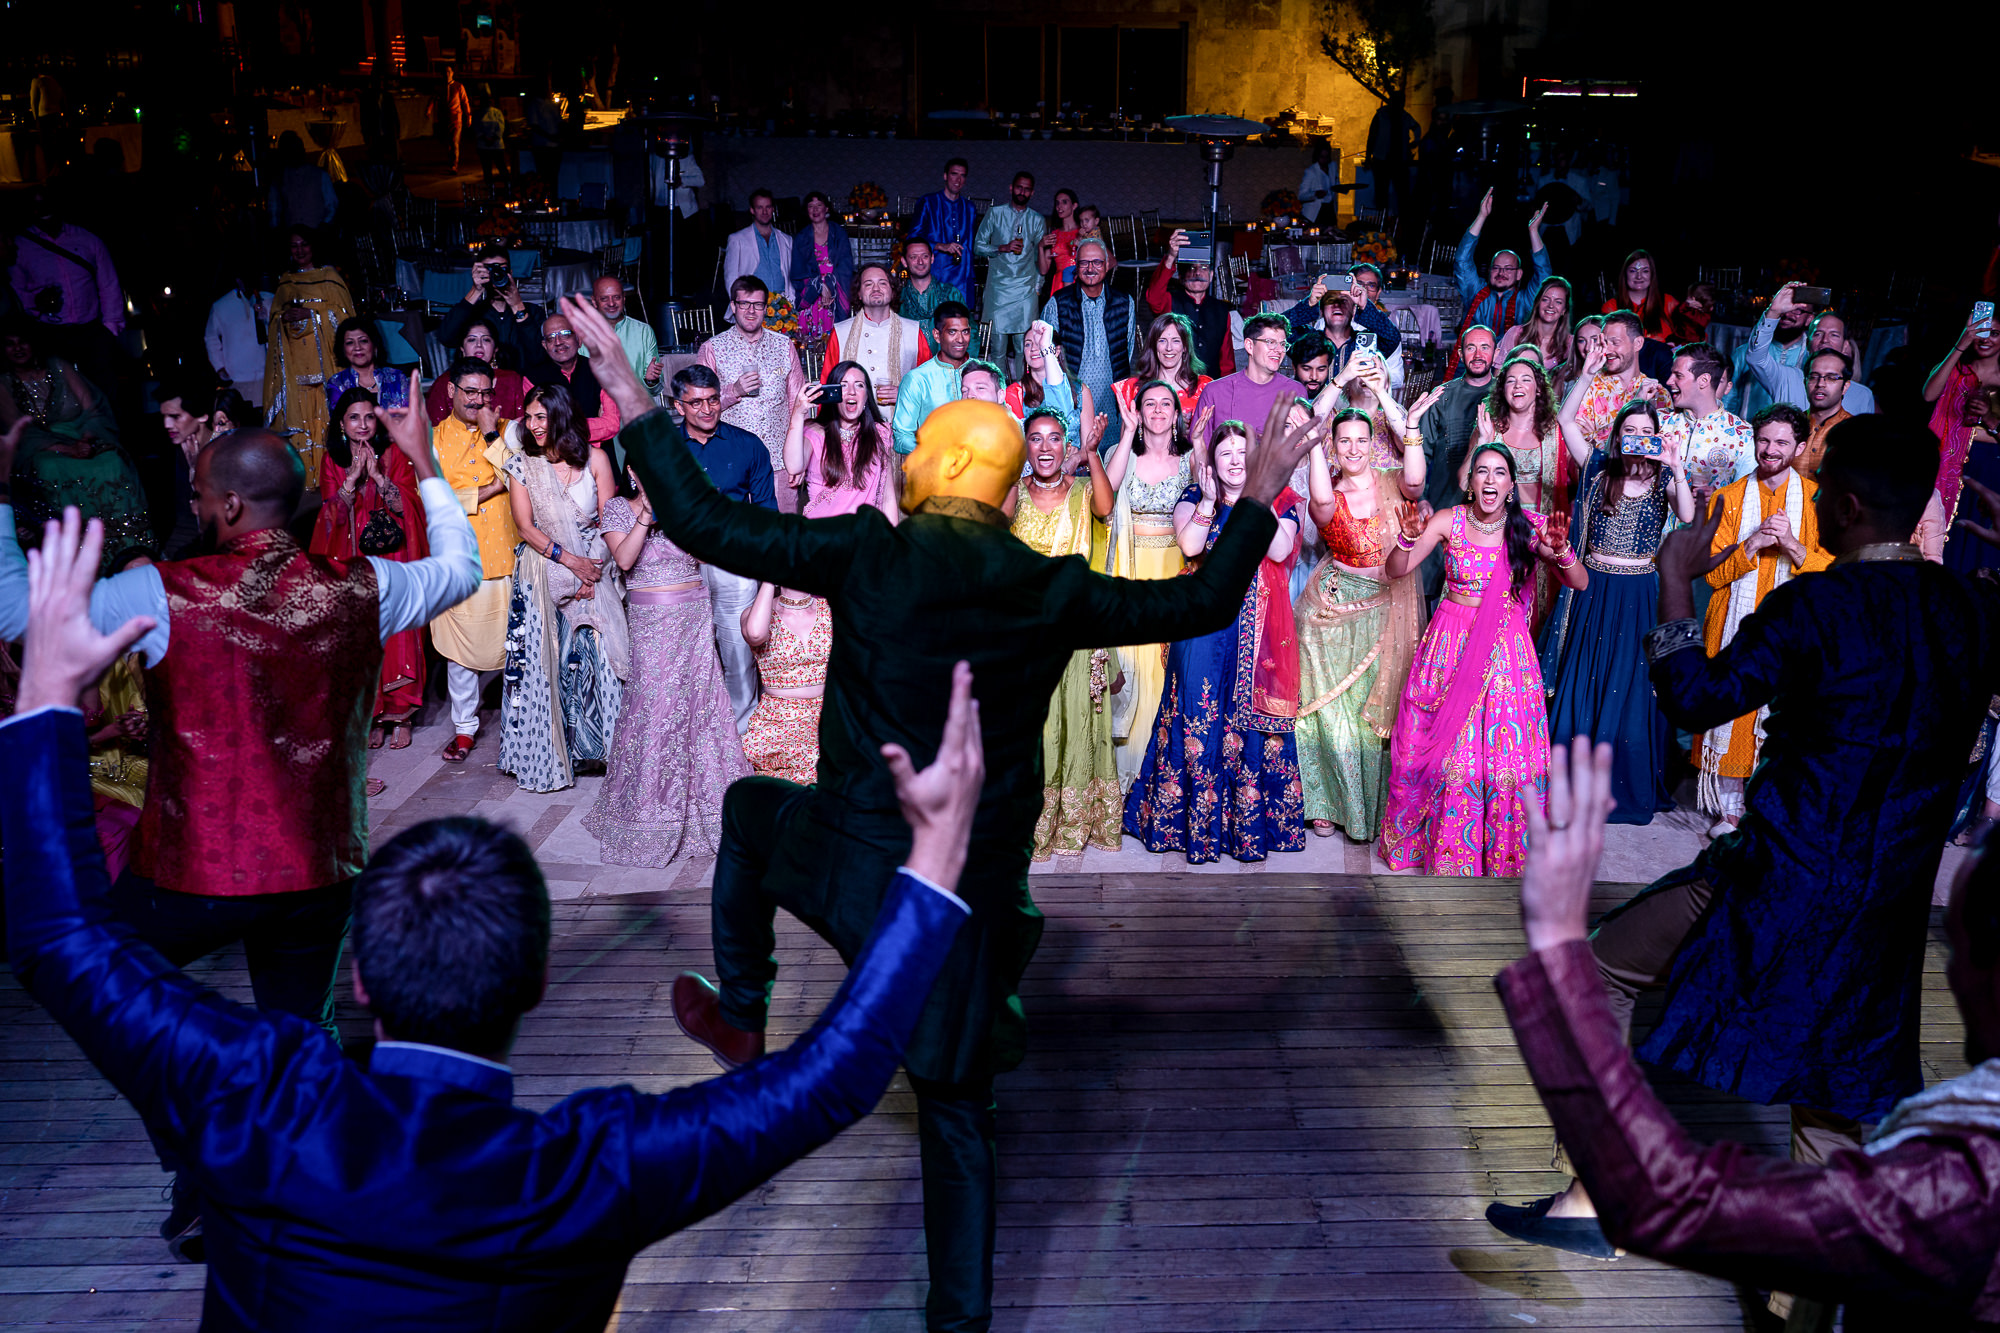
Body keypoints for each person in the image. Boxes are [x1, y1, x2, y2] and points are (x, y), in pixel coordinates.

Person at [2, 509, 982, 1321]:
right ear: (535, 980)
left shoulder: (255, 1095)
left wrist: (45, 696)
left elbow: (60, 937)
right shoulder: (581, 1175)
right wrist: (934, 863)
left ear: (359, 974)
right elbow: (831, 1079)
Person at [571, 283, 1324, 1332]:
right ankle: (959, 1322)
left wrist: (631, 395)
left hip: (845, 862)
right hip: (961, 896)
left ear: (949, 468)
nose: (909, 451)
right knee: (959, 1113)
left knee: (747, 811)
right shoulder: (1049, 585)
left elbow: (702, 522)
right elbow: (1199, 600)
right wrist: (1262, 495)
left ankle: (742, 1010)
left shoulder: (866, 549)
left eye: (924, 442)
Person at [1490, 423, 2000, 1289]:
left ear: (1845, 506)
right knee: (1834, 1082)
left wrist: (1675, 580)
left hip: (1777, 878)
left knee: (1597, 968)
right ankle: (1809, 1285)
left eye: (1821, 487)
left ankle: (1598, 1197)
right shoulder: (1969, 612)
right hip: (1888, 906)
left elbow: (1696, 698)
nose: (1813, 498)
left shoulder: (1816, 605)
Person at [0, 412, 480, 1258]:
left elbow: (20, 616)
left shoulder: (161, 593)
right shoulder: (365, 584)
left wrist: (3, 492)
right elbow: (462, 567)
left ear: (226, 507)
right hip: (321, 868)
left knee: (109, 994)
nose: (192, 506)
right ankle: (313, 1191)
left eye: (196, 493)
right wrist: (425, 461)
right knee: (301, 1032)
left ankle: (204, 1174)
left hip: (194, 874)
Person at [1379, 441, 1587, 874]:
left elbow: (1579, 581)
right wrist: (1407, 538)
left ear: (1511, 485)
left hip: (1505, 651)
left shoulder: (1528, 527)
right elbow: (1396, 570)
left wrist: (1560, 550)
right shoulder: (1447, 521)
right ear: (1470, 482)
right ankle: (1449, 851)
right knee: (1446, 746)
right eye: (1482, 472)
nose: (1490, 480)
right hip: (1448, 643)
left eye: (1499, 473)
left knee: (1502, 751)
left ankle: (1502, 852)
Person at [1123, 417, 1306, 863]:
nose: (1236, 461)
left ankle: (1246, 830)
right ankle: (1191, 829)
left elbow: (1280, 550)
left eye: (1245, 454)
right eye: (1226, 454)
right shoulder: (1193, 495)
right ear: (1213, 462)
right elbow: (1190, 546)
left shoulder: (1279, 500)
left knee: (1249, 721)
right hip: (1202, 625)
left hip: (1256, 628)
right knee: (1196, 712)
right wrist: (1208, 500)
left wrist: (1259, 496)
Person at [1539, 399, 1695, 826]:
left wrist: (1676, 465)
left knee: (1629, 681)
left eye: (1646, 431)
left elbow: (1686, 514)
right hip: (1593, 587)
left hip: (1638, 592)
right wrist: (1587, 373)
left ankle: (1616, 785)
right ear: (1618, 435)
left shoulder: (1664, 477)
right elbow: (1566, 420)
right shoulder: (1599, 468)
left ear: (1656, 437)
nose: (1637, 439)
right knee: (1586, 676)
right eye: (1630, 431)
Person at [584, 468, 750, 864]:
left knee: (702, 707)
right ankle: (653, 809)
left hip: (693, 616)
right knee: (657, 708)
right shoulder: (617, 509)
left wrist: (682, 509)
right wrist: (647, 513)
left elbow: (707, 551)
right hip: (652, 624)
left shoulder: (681, 505)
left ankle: (708, 806)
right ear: (632, 470)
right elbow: (624, 560)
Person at [1690, 404, 1832, 836]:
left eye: (1782, 442)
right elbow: (1712, 574)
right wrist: (1751, 543)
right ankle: (1729, 812)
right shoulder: (1728, 498)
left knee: (1784, 718)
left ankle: (1768, 810)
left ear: (1800, 447)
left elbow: (1832, 572)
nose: (1770, 450)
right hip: (1733, 626)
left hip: (1793, 632)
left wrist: (1791, 544)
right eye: (1764, 440)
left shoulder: (1816, 500)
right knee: (1734, 712)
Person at [1294, 408, 1427, 841]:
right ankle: (1328, 804)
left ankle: (1374, 805)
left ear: (1374, 444)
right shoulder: (1328, 492)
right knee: (1329, 712)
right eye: (1344, 441)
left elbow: (1417, 481)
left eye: (1361, 440)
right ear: (1333, 446)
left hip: (1385, 611)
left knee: (1371, 718)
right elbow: (1321, 506)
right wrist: (1314, 446)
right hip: (1331, 612)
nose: (1353, 449)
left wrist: (1409, 425)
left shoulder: (1393, 483)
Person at [499, 383, 628, 794]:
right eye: (529, 417)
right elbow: (526, 527)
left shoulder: (596, 459)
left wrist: (593, 571)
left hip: (595, 565)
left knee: (601, 653)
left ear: (562, 415)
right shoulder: (523, 465)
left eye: (542, 416)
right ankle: (557, 752)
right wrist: (573, 565)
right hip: (544, 571)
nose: (534, 425)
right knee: (548, 663)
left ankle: (602, 749)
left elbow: (610, 522)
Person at [1009, 406, 1120, 859]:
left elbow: (1106, 508)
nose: (1045, 447)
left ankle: (1076, 821)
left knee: (1076, 721)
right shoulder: (1013, 493)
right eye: (1035, 438)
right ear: (1025, 446)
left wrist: (1091, 453)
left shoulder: (1081, 491)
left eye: (1054, 438)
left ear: (1065, 445)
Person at [310, 387, 430, 758]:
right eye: (353, 418)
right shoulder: (332, 460)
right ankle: (374, 715)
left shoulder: (394, 453)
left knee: (397, 632)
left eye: (368, 417)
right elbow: (328, 516)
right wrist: (350, 480)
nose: (362, 425)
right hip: (352, 557)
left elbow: (408, 505)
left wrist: (378, 477)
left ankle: (401, 713)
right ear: (341, 424)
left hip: (392, 556)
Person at [668, 363, 776, 733]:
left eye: (713, 400)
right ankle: (692, 732)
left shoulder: (748, 445)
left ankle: (740, 734)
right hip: (679, 564)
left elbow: (765, 514)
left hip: (733, 562)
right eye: (696, 402)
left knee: (738, 652)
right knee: (684, 652)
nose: (707, 409)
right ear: (678, 406)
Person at [1101, 385, 1200, 783]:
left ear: (1176, 414)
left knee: (1167, 668)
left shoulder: (1192, 460)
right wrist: (1126, 433)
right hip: (1130, 569)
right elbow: (1105, 494)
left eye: (1166, 404)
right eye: (1149, 404)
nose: (1158, 410)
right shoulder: (1121, 451)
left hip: (1174, 570)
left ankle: (1163, 777)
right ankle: (1126, 777)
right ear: (1138, 413)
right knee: (1131, 665)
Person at [0, 319, 147, 569]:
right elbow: (20, 431)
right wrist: (67, 449)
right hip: (39, 447)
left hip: (82, 436)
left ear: (33, 344)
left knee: (113, 461)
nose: (17, 348)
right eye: (9, 344)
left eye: (22, 342)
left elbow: (94, 408)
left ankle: (128, 547)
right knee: (49, 467)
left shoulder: (59, 367)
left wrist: (87, 440)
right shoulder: (3, 383)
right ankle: (81, 553)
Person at [432, 358, 521, 763]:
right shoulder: (432, 441)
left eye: (486, 393)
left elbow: (521, 476)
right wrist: (490, 489)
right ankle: (465, 728)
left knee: (519, 645)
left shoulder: (508, 431)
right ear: (451, 391)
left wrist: (490, 435)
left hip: (509, 555)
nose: (479, 400)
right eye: (470, 392)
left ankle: (522, 724)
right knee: (460, 651)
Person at [1458, 354, 1565, 630]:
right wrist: (1482, 441)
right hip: (1494, 531)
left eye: (1525, 379)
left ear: (1538, 388)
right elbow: (1463, 483)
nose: (1517, 385)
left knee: (1532, 615)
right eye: (1510, 380)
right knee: (1487, 614)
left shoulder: (1555, 432)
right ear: (1502, 389)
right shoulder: (1489, 428)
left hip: (1537, 535)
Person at [696, 275, 807, 509]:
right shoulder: (713, 349)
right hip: (730, 462)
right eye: (744, 304)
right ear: (733, 306)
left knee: (780, 527)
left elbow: (799, 404)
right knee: (734, 528)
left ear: (765, 308)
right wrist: (733, 391)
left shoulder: (784, 346)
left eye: (757, 304)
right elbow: (699, 407)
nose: (750, 311)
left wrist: (801, 458)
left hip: (779, 462)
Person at [1404, 327, 1500, 585]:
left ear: (1496, 352)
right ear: (1459, 353)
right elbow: (1419, 453)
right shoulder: (1442, 396)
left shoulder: (1504, 395)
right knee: (1433, 584)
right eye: (1471, 348)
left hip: (1490, 510)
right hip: (1442, 504)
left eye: (1485, 348)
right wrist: (1421, 499)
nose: (1478, 355)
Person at [264, 228, 357, 487]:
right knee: (302, 421)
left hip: (326, 367)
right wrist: (283, 318)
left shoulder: (329, 278)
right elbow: (274, 322)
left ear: (313, 246)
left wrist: (312, 314)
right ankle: (307, 480)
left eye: (304, 244)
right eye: (294, 246)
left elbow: (346, 319)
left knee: (328, 419)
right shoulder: (286, 283)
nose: (300, 250)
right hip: (297, 369)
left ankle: (335, 478)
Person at [8, 185, 126, 386]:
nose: (43, 210)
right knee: (61, 390)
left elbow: (109, 284)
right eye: (36, 205)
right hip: (49, 334)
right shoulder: (21, 246)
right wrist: (36, 302)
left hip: (91, 331)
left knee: (103, 389)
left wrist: (110, 328)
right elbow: (16, 291)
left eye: (46, 203)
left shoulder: (87, 239)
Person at [1927, 304, 2000, 569]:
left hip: (1991, 469)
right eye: (1981, 331)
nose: (1986, 339)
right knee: (1945, 537)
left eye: (1994, 333)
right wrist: (1961, 344)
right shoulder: (1958, 371)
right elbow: (1929, 394)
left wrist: (1989, 419)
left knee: (1979, 544)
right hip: (1949, 465)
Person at [1039, 239, 1133, 432]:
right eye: (1084, 263)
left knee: (1112, 446)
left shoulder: (1125, 302)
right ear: (1076, 265)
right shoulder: (1058, 303)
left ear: (1107, 265)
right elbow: (1045, 354)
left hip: (1112, 400)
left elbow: (1128, 349)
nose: (1090, 268)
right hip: (1072, 400)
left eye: (1097, 262)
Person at [1743, 282, 1876, 417]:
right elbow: (1755, 358)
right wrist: (1774, 311)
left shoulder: (1862, 395)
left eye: (1834, 335)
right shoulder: (1787, 379)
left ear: (1845, 346)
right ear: (1807, 343)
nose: (1825, 340)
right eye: (1818, 334)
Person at [785, 362, 896, 521]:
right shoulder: (814, 431)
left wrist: (893, 535)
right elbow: (793, 466)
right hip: (824, 531)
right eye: (843, 385)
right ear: (833, 393)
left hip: (865, 532)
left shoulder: (880, 434)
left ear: (866, 396)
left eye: (859, 385)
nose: (851, 392)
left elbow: (888, 498)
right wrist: (798, 413)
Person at [1561, 311, 1672, 454]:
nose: (1607, 350)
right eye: (1604, 343)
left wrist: (1597, 436)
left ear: (1638, 343)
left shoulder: (1658, 393)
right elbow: (1575, 446)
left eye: (1615, 342)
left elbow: (1653, 451)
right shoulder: (1588, 386)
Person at [1191, 313, 1307, 449]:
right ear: (1249, 346)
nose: (1279, 350)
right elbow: (1199, 447)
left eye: (1283, 344)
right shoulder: (1215, 391)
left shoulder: (1295, 391)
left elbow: (1303, 446)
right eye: (1271, 342)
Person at [824, 264, 931, 409]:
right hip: (853, 419)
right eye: (868, 284)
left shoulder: (913, 331)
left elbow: (929, 383)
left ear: (892, 292)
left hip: (902, 418)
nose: (876, 289)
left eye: (882, 283)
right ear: (859, 294)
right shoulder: (840, 332)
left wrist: (906, 393)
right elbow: (828, 386)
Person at [1660, 340, 1756, 502]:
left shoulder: (1744, 435)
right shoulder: (1659, 421)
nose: (1669, 381)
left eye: (1678, 375)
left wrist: (1721, 496)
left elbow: (1749, 497)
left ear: (1704, 380)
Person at [1454, 189, 1551, 342]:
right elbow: (1462, 260)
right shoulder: (1474, 291)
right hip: (1473, 356)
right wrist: (1481, 216)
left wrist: (1534, 231)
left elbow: (1544, 273)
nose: (1501, 273)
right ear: (1489, 271)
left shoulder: (1525, 300)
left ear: (1519, 274)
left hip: (1513, 356)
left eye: (1508, 268)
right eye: (1496, 268)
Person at [972, 171, 1045, 375]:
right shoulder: (995, 213)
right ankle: (1000, 389)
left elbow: (1041, 256)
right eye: (1019, 187)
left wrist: (1038, 287)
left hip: (1026, 289)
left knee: (1024, 347)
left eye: (1027, 189)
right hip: (999, 288)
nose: (1022, 192)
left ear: (1032, 192)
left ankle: (1023, 388)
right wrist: (1001, 248)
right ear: (1011, 188)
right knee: (998, 348)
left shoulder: (1037, 220)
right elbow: (977, 246)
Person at [438, 246, 545, 374]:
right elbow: (446, 338)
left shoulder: (532, 312)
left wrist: (517, 306)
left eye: (501, 270)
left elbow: (539, 356)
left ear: (510, 273)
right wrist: (475, 290)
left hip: (523, 381)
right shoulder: (471, 313)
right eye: (489, 271)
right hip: (479, 380)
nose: (496, 275)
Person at [1145, 229, 1234, 378]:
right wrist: (1171, 256)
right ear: (1180, 277)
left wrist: (1228, 387)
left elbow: (1227, 361)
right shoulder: (1170, 302)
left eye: (1204, 268)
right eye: (1191, 268)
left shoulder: (1221, 310)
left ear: (1211, 275)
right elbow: (1153, 298)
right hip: (1174, 383)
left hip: (1211, 384)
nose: (1197, 273)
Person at [890, 301, 975, 458]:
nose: (960, 339)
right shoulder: (917, 379)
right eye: (952, 332)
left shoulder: (984, 372)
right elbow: (901, 437)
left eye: (965, 332)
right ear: (937, 335)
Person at [1282, 270, 1401, 377]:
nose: (1337, 305)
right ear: (1322, 310)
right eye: (1330, 301)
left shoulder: (1366, 344)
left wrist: (1365, 306)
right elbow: (1278, 329)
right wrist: (1309, 304)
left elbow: (1393, 337)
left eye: (1344, 301)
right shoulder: (1307, 341)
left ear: (1353, 310)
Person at [1729, 280, 1819, 419]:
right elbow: (1728, 397)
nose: (1787, 314)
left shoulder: (1812, 359)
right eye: (1785, 308)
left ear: (1809, 319)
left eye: (1797, 310)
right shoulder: (1743, 353)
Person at [528, 313, 620, 449]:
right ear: (545, 345)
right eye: (551, 338)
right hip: (555, 458)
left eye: (565, 334)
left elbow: (612, 424)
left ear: (579, 339)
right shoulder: (532, 379)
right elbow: (536, 428)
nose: (558, 342)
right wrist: (596, 427)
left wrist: (557, 427)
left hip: (601, 457)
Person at [425, 313, 528, 424]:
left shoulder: (511, 379)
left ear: (495, 349)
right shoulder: (444, 382)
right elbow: (434, 428)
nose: (479, 345)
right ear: (462, 348)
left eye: (486, 340)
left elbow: (522, 423)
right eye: (471, 340)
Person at [789, 191, 855, 350]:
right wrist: (819, 286)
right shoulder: (801, 237)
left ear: (826, 209)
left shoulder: (838, 233)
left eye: (819, 205)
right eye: (811, 206)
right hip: (811, 294)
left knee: (834, 342)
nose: (815, 210)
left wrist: (830, 287)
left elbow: (846, 265)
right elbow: (798, 270)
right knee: (809, 342)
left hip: (834, 295)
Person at [1113, 311, 1209, 418]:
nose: (1169, 348)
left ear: (1185, 347)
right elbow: (1127, 428)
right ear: (1154, 346)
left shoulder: (1204, 387)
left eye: (1176, 341)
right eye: (1162, 341)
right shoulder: (1133, 388)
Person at [908, 157, 978, 302]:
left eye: (962, 175)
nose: (958, 180)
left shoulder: (969, 207)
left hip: (962, 274)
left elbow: (971, 244)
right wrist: (940, 246)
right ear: (945, 176)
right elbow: (913, 238)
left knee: (960, 314)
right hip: (936, 271)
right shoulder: (928, 202)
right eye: (954, 174)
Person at [581, 274, 661, 398]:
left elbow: (655, 390)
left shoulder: (643, 332)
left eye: (616, 297)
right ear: (594, 302)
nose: (611, 303)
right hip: (596, 407)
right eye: (604, 299)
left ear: (624, 299)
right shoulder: (582, 334)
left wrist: (651, 381)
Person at [1498, 277, 1578, 394]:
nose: (1551, 305)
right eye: (1545, 299)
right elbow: (1498, 379)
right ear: (1537, 303)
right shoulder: (1515, 334)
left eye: (1558, 302)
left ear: (1564, 310)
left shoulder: (1571, 343)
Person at [204, 272, 272, 409]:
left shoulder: (269, 299)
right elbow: (211, 338)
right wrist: (220, 367)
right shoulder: (222, 305)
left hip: (268, 374)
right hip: (238, 377)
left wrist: (266, 318)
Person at [1002, 319, 1083, 426]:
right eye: (1028, 344)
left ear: (1056, 351)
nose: (1033, 348)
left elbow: (1062, 417)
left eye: (1039, 343)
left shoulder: (1081, 390)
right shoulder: (1014, 393)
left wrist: (1045, 347)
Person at [324, 316, 412, 414]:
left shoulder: (398, 377)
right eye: (350, 343)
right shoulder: (337, 383)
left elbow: (410, 416)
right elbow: (338, 419)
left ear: (375, 345)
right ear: (343, 350)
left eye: (363, 341)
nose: (357, 347)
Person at [723, 188, 795, 302]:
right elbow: (730, 277)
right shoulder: (737, 239)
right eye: (760, 207)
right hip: (752, 304)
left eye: (768, 207)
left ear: (773, 209)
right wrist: (740, 304)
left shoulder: (787, 240)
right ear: (752, 210)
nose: (764, 212)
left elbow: (791, 276)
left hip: (782, 305)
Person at [1796, 349, 1858, 478]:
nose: (1820, 384)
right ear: (1805, 383)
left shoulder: (1856, 432)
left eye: (1831, 378)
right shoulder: (1790, 426)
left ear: (1845, 387)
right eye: (1813, 377)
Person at [897, 237, 965, 348]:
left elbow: (969, 332)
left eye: (925, 256)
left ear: (932, 258)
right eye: (914, 257)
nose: (920, 262)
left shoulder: (950, 294)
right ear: (904, 262)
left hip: (947, 358)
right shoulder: (898, 298)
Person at [1598, 249, 1678, 341]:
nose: (1639, 276)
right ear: (1625, 274)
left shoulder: (1668, 302)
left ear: (1652, 274)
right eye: (1633, 271)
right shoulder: (1611, 307)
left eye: (1645, 271)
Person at [1364, 94, 1419, 216]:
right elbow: (1372, 137)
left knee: (1397, 193)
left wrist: (1415, 142)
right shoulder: (1385, 116)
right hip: (1385, 160)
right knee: (1385, 193)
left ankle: (1394, 219)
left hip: (1392, 160)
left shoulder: (1401, 116)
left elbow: (1372, 137)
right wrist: (1415, 142)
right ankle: (1386, 218)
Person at [1039, 187, 1082, 293]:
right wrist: (1040, 247)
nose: (1059, 206)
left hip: (1079, 282)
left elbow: (1108, 260)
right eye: (1057, 203)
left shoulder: (1083, 232)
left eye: (1064, 202)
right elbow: (1043, 271)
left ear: (1074, 206)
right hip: (1059, 284)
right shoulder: (1054, 235)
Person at [433, 65, 472, 172]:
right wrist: (429, 110)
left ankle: (454, 165)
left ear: (452, 73)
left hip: (456, 119)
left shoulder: (459, 86)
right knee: (447, 142)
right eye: (445, 72)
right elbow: (434, 99)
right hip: (444, 118)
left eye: (449, 72)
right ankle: (451, 161)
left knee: (454, 142)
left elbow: (465, 101)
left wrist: (468, 116)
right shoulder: (440, 87)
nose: (447, 74)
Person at [472, 89, 510, 185]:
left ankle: (507, 187)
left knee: (501, 166)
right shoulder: (478, 114)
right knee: (487, 169)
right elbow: (476, 128)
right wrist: (487, 138)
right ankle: (490, 188)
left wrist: (492, 138)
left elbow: (501, 127)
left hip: (494, 145)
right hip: (485, 145)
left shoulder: (497, 112)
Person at [1299, 139, 1340, 224]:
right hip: (1316, 212)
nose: (1324, 160)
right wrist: (1315, 194)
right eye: (1322, 157)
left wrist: (1341, 188)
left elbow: (1336, 184)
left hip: (1330, 209)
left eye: (1327, 157)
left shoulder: (1333, 167)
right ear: (1317, 156)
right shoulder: (1311, 171)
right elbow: (1301, 196)